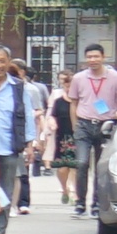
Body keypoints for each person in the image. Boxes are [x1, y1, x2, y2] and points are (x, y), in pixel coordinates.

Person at [0, 46, 41, 234]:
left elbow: (27, 117)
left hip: (8, 148)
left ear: (8, 63)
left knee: (4, 194)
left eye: (2, 61)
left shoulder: (18, 87)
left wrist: (30, 145)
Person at [71, 44, 116, 215]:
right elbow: (74, 102)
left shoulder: (114, 77)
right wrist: (75, 125)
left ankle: (97, 203)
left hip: (106, 126)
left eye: (96, 56)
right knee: (81, 163)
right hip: (84, 124)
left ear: (103, 57)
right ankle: (80, 202)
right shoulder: (79, 78)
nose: (93, 60)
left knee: (101, 167)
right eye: (89, 57)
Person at [53, 71, 80, 204]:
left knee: (75, 166)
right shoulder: (59, 101)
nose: (69, 89)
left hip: (79, 136)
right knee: (62, 168)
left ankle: (75, 192)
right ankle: (65, 189)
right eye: (67, 86)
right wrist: (50, 123)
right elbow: (52, 116)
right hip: (63, 137)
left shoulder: (82, 101)